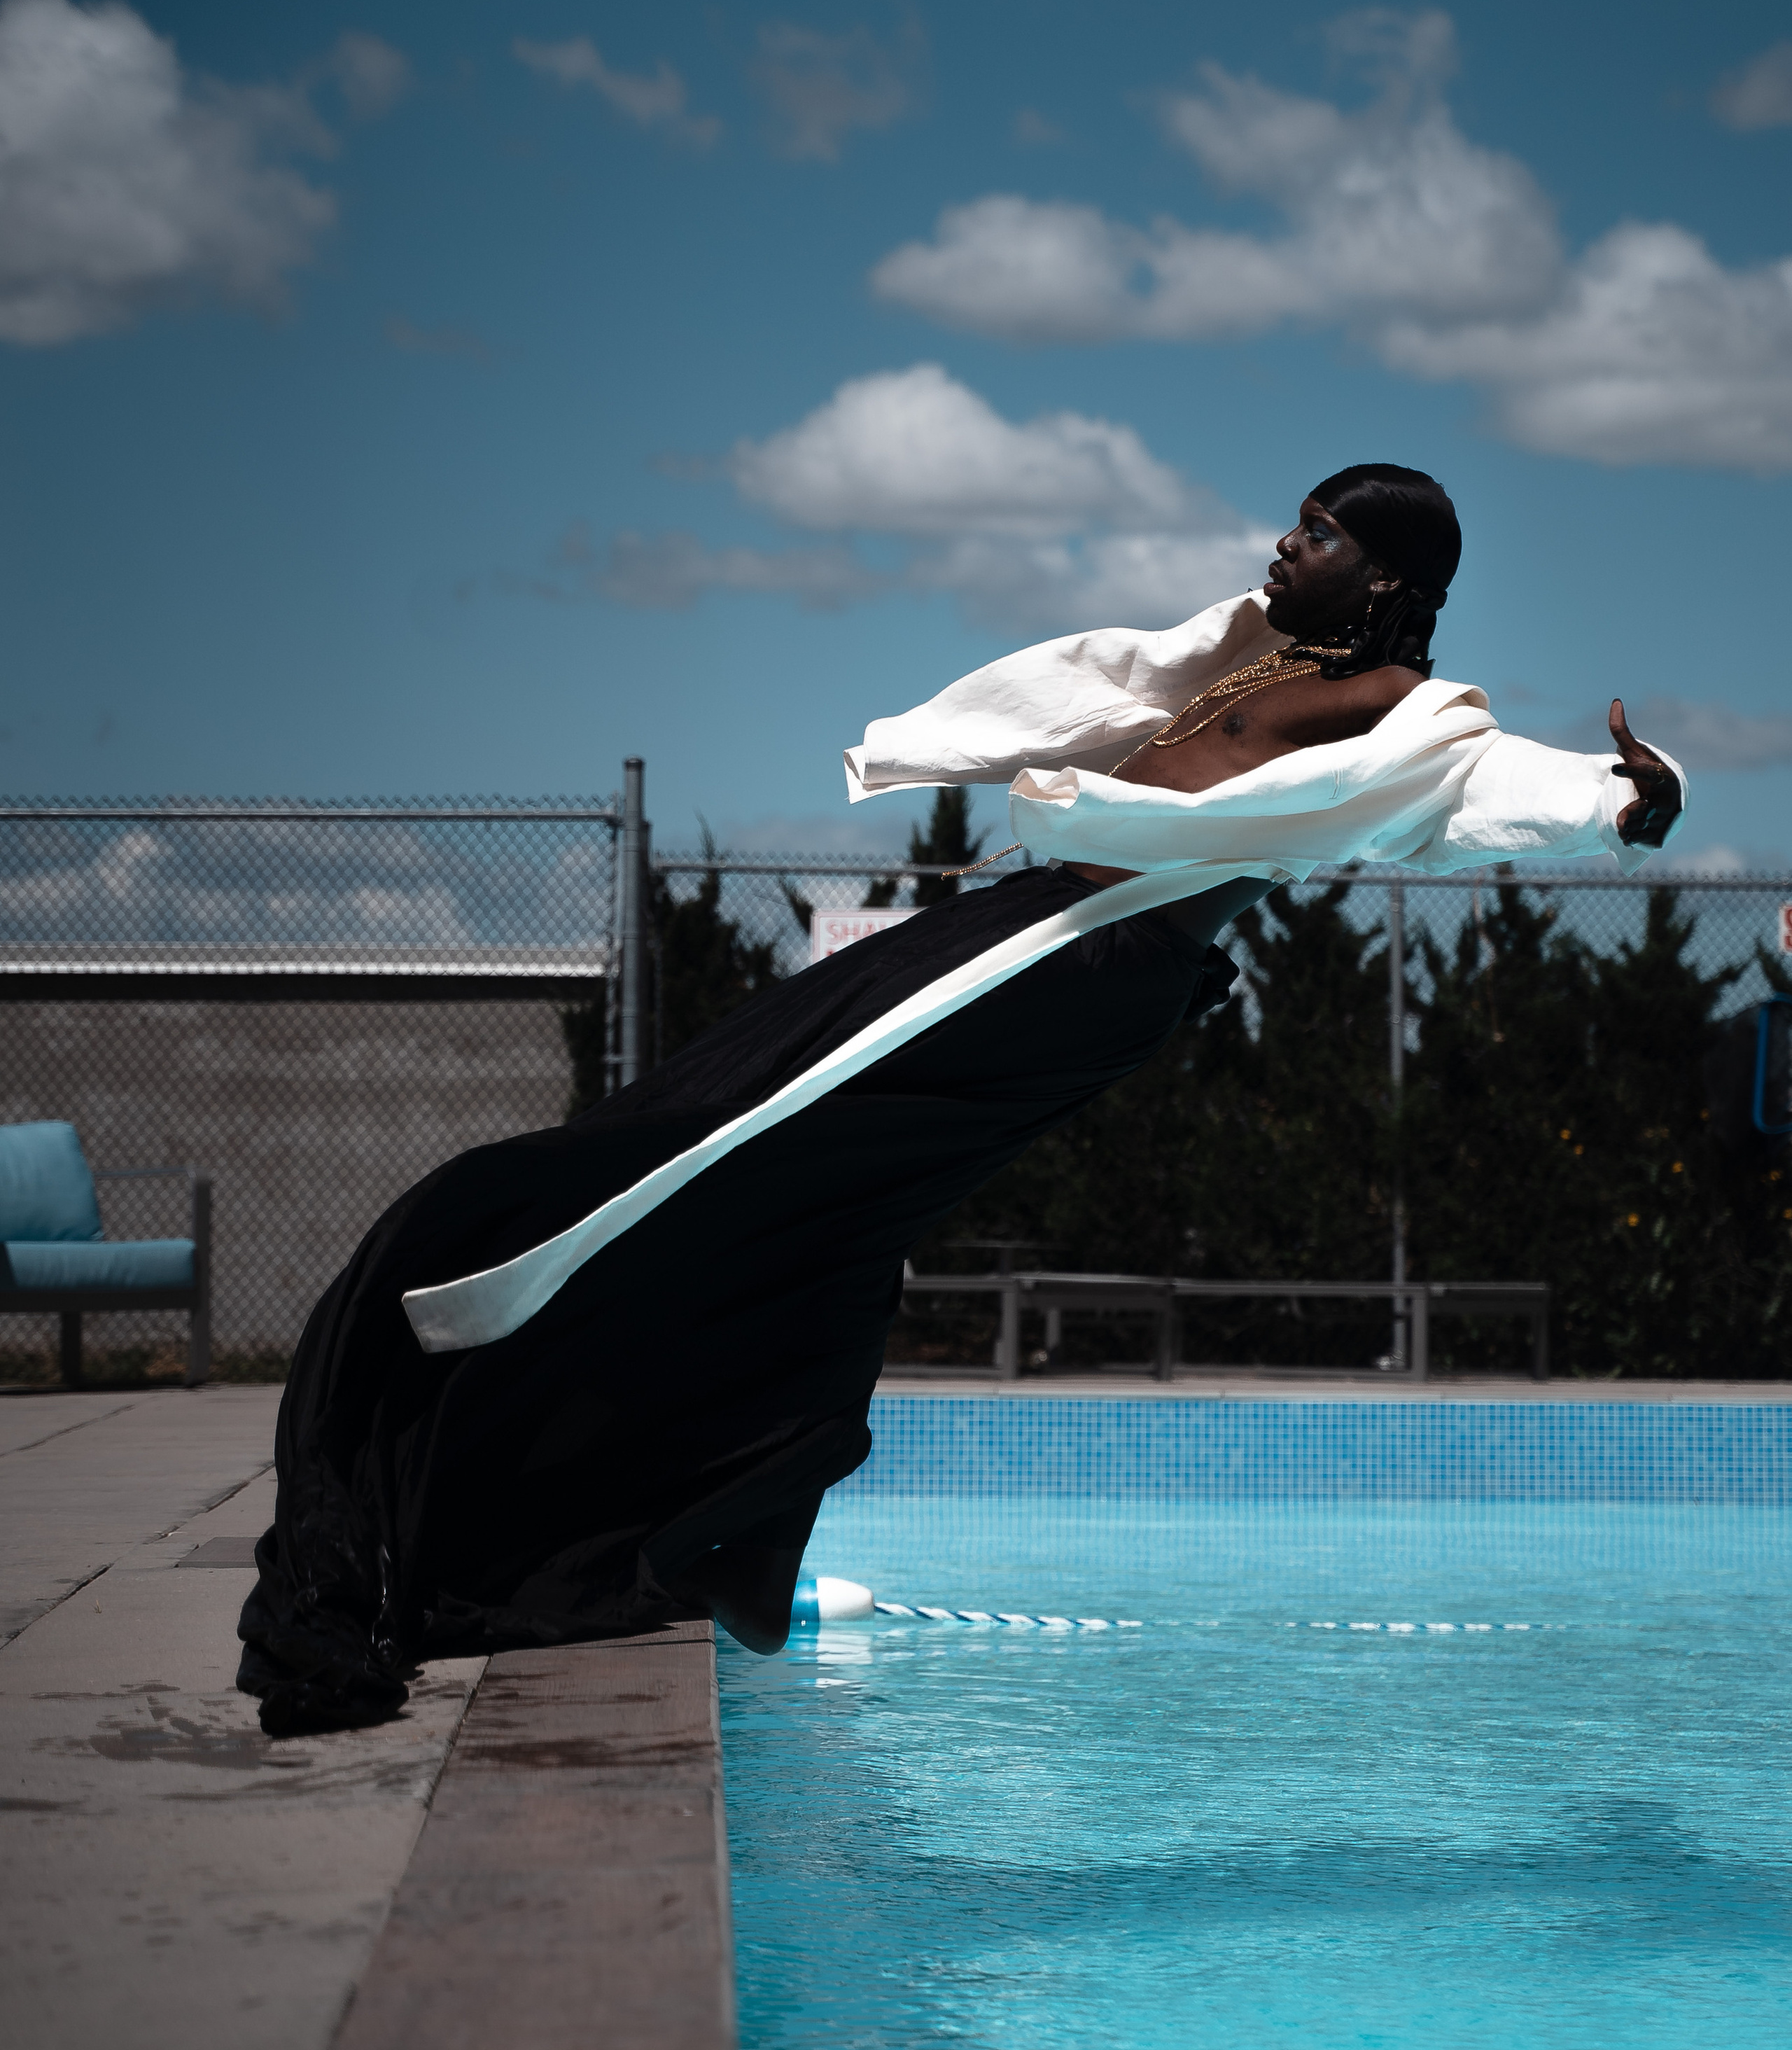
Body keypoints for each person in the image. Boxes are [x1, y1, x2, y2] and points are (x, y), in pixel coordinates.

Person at [238, 466, 1684, 1733]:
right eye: (1292, 523)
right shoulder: (1254, 645)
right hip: (1036, 928)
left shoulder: (1397, 706)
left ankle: (697, 1495)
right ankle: (739, 1522)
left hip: (1088, 963)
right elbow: (1113, 678)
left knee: (752, 1145)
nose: (1281, 545)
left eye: (1315, 533)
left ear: (1384, 578)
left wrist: (1623, 801)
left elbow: (1480, 788)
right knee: (802, 1180)